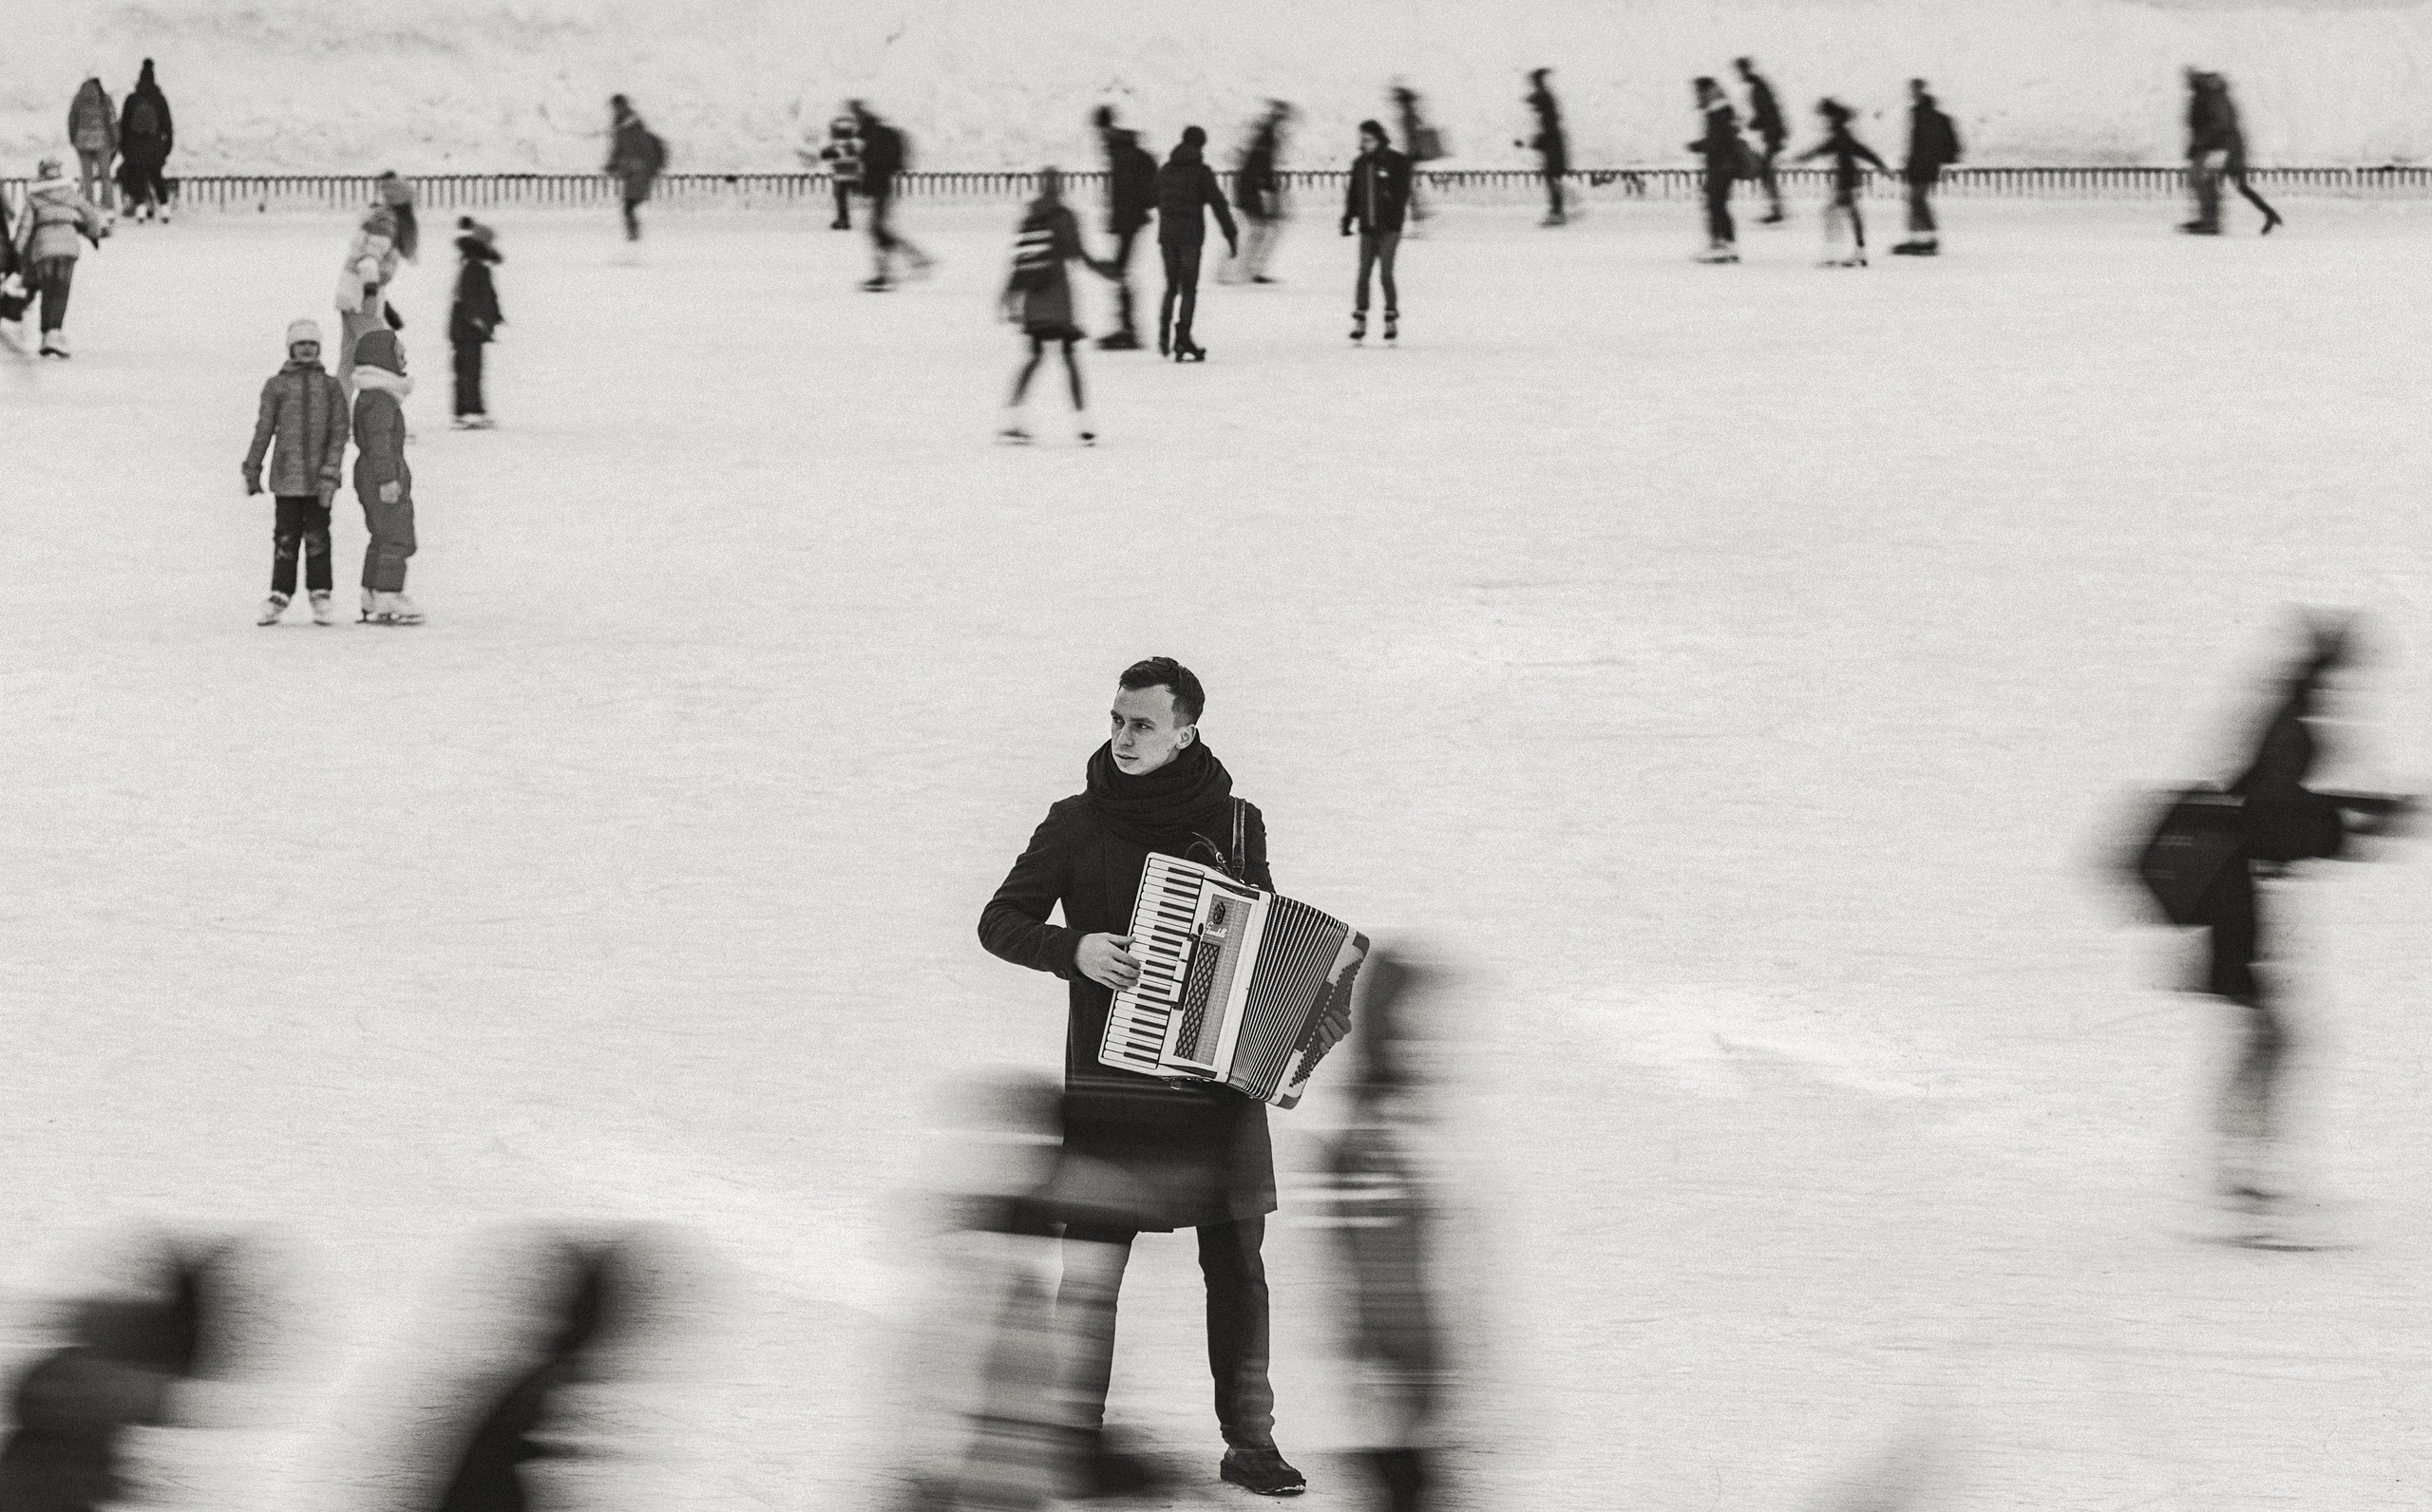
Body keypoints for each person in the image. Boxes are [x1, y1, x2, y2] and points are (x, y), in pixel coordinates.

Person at [978, 657, 1307, 1499]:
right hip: (1110, 1084)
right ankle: (1068, 1435)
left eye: (1142, 726)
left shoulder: (1238, 824)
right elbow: (1000, 921)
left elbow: (1260, 934)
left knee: (1236, 1267)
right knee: (1091, 1269)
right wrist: (1073, 950)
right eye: (1117, 720)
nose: (1122, 737)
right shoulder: (1075, 822)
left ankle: (1250, 1441)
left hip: (1213, 1086)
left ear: (1185, 733)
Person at [242, 318, 350, 626]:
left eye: (312, 344)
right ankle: (280, 593)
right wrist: (253, 467)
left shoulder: (331, 387)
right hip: (286, 479)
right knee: (285, 539)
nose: (306, 349)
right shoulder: (276, 386)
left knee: (318, 537)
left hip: (319, 482)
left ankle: (320, 593)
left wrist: (331, 470)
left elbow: (339, 432)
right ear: (290, 347)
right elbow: (263, 429)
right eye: (300, 343)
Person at [999, 167, 1115, 445]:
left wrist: (1009, 295)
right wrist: (1106, 270)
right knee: (1069, 359)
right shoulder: (1065, 217)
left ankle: (1014, 419)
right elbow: (1078, 255)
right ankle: (1083, 424)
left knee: (1035, 357)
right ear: (1060, 187)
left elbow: (1020, 262)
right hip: (1058, 298)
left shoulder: (1030, 217)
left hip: (1033, 299)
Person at [348, 330, 422, 625]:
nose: (404, 360)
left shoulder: (374, 396)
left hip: (373, 472)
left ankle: (371, 592)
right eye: (399, 355)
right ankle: (388, 592)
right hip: (380, 474)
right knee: (397, 535)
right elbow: (378, 441)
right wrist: (387, 479)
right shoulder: (379, 400)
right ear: (384, 361)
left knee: (380, 535)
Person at [1152, 126, 1238, 362]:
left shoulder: (1166, 170)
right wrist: (1230, 234)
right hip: (1191, 239)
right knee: (1188, 289)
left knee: (1171, 287)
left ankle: (1163, 333)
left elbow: (1151, 197)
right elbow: (1218, 204)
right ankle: (1182, 338)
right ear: (1200, 145)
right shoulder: (1201, 173)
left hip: (1167, 238)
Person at [12, 158, 108, 359]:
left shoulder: (34, 198)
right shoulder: (70, 193)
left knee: (48, 291)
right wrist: (94, 233)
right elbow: (90, 214)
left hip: (43, 249)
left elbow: (25, 227)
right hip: (68, 248)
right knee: (61, 290)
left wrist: (17, 251)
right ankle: (54, 333)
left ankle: (46, 334)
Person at [333, 175, 417, 388]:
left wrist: (386, 308)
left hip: (351, 295)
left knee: (348, 364)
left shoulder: (380, 220)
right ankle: (377, 411)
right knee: (381, 355)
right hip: (361, 299)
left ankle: (338, 417)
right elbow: (368, 260)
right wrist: (371, 295)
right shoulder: (387, 223)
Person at [1091, 105, 1159, 350]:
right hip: (1129, 221)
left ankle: (1128, 331)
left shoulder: (1121, 153)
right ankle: (1126, 327)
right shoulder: (1121, 149)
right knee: (1120, 272)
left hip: (1129, 222)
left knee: (1120, 272)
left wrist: (1121, 219)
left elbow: (1127, 192)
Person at [1340, 120, 1412, 344]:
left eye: (1368, 139)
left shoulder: (1396, 161)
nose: (1364, 144)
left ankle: (1390, 316)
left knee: (1385, 274)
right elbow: (1353, 194)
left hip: (1389, 228)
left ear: (1378, 138)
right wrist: (1347, 218)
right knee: (1363, 274)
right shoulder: (1360, 163)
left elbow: (1402, 193)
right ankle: (1360, 317)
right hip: (1367, 228)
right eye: (1362, 139)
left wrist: (1393, 215)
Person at [1797, 98, 1890, 267]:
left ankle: (1836, 253)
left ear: (1831, 116)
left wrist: (1802, 157)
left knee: (1832, 214)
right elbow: (1863, 151)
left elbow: (1824, 149)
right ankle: (1857, 251)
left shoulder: (1840, 135)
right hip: (1849, 179)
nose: (1822, 121)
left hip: (1846, 181)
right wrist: (1880, 165)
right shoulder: (1842, 133)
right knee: (1847, 214)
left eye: (1824, 117)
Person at [853, 102, 933, 291]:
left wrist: (866, 178)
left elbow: (874, 164)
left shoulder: (875, 136)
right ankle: (917, 260)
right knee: (880, 230)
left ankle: (888, 273)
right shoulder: (874, 135)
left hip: (881, 187)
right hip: (882, 187)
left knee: (877, 230)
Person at [1894, 79, 1962, 255]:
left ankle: (1927, 240)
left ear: (1920, 91)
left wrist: (1928, 159)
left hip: (1925, 165)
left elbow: (1926, 143)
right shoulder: (1920, 113)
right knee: (1915, 201)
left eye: (1914, 90)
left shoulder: (1926, 115)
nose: (1912, 93)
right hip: (1920, 165)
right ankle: (1919, 239)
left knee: (1918, 200)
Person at [447, 217, 504, 429]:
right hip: (467, 330)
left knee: (472, 372)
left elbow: (486, 296)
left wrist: (495, 315)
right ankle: (466, 412)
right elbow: (469, 299)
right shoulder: (474, 267)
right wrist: (479, 321)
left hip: (468, 330)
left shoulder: (475, 265)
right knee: (467, 373)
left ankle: (474, 410)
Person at [1226, 102, 1291, 284]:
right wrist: (1271, 190)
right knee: (1259, 230)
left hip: (1250, 188)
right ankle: (1242, 271)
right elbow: (1261, 167)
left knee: (1258, 230)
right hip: (1251, 189)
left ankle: (1240, 270)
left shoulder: (1263, 134)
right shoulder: (1267, 137)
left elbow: (1259, 165)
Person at [2212, 73, 2282, 235]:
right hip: (2234, 153)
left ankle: (2213, 223)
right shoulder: (2224, 102)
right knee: (2242, 188)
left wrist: (2227, 157)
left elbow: (2226, 131)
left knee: (2229, 186)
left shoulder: (2222, 103)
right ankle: (2270, 214)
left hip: (2232, 154)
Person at [1687, 78, 1743, 263]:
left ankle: (1719, 245)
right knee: (1718, 204)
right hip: (1722, 165)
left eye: (1699, 92)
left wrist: (1698, 146)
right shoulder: (1721, 110)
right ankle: (1726, 244)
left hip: (1721, 166)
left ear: (1708, 91)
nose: (1697, 96)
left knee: (1715, 204)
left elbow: (1719, 142)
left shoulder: (1719, 112)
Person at [116, 60, 173, 223]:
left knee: (138, 178)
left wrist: (124, 148)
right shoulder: (160, 99)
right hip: (155, 146)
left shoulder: (131, 99)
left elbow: (124, 125)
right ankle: (165, 210)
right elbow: (167, 125)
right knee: (157, 178)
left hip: (135, 147)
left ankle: (140, 212)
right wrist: (166, 148)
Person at [605, 95, 665, 242]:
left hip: (639, 170)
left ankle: (634, 237)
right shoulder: (621, 126)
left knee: (629, 205)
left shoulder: (632, 126)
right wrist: (612, 163)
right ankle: (633, 235)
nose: (616, 110)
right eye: (615, 107)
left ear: (623, 106)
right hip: (633, 171)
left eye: (617, 106)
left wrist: (644, 166)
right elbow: (618, 148)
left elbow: (642, 149)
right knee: (629, 205)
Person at [1734, 57, 1787, 223]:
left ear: (1745, 70)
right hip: (1772, 134)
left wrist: (1751, 124)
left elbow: (1766, 113)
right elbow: (1768, 112)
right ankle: (1775, 210)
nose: (1738, 75)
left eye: (1739, 71)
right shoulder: (1758, 86)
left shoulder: (1758, 88)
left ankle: (1776, 211)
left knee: (1766, 172)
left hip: (1772, 135)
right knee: (1766, 172)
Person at [1390, 84, 1442, 227]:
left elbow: (1411, 136)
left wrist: (1409, 154)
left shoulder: (1408, 115)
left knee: (1407, 186)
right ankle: (1419, 213)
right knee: (1409, 186)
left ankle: (1419, 214)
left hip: (1411, 155)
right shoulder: (1412, 113)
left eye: (1398, 101)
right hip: (1412, 154)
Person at [1524, 69, 1568, 227]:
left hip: (1553, 147)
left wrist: (1536, 142)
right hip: (1553, 145)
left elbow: (1548, 129)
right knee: (1552, 178)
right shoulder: (1546, 100)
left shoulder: (1545, 101)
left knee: (1552, 178)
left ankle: (1557, 212)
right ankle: (1557, 211)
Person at [68, 76, 118, 215]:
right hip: (102, 141)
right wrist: (115, 140)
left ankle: (88, 208)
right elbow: (112, 121)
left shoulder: (78, 99)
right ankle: (108, 209)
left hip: (82, 141)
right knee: (105, 176)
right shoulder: (105, 99)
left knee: (87, 177)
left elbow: (72, 120)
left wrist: (74, 139)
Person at [808, 110, 861, 231]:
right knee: (846, 198)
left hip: (841, 176)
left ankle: (843, 220)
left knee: (841, 199)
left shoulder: (836, 145)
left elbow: (825, 154)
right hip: (853, 175)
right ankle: (844, 220)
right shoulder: (853, 144)